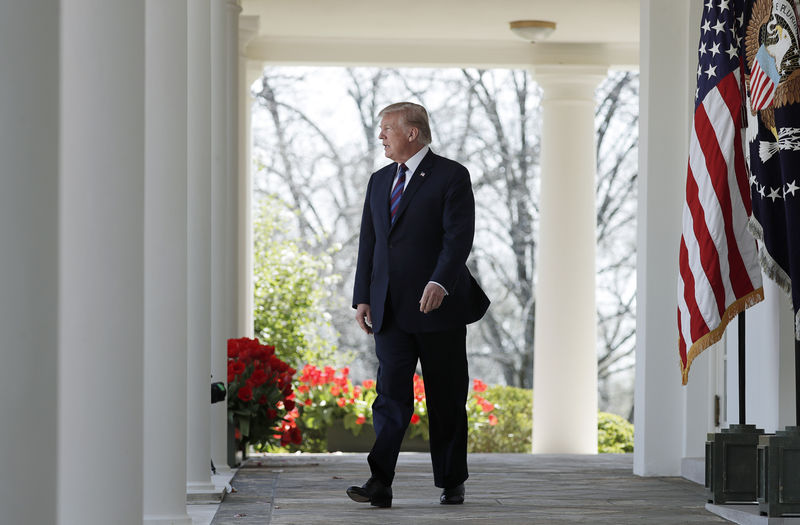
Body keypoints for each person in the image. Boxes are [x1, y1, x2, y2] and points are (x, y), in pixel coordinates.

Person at [347, 102, 490, 507]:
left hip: (438, 307)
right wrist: (362, 297)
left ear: (413, 133)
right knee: (390, 397)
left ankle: (452, 480)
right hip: (388, 309)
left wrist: (440, 281)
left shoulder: (451, 175)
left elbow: (458, 238)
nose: (381, 136)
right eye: (381, 129)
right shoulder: (378, 181)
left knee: (445, 398)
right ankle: (380, 482)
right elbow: (369, 244)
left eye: (388, 128)